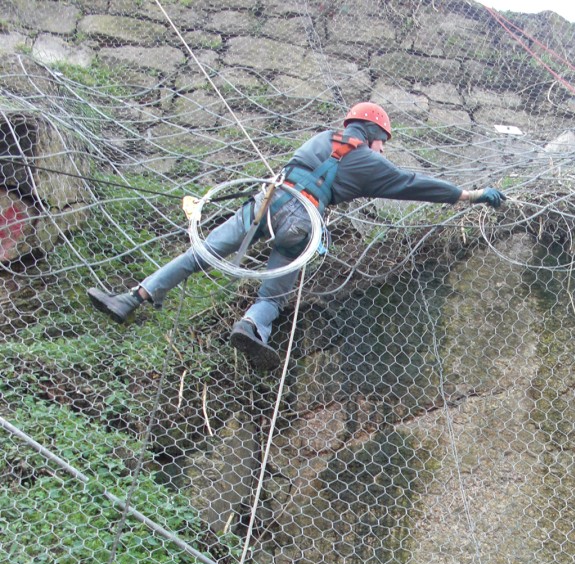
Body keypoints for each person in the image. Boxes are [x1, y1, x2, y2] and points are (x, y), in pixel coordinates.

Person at [88, 102, 506, 371]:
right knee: (275, 287)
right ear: (373, 136)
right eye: (383, 144)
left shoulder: (322, 139)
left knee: (203, 251)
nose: (384, 152)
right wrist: (470, 196)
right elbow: (412, 183)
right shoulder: (367, 163)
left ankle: (132, 298)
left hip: (264, 202)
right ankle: (253, 327)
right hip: (301, 219)